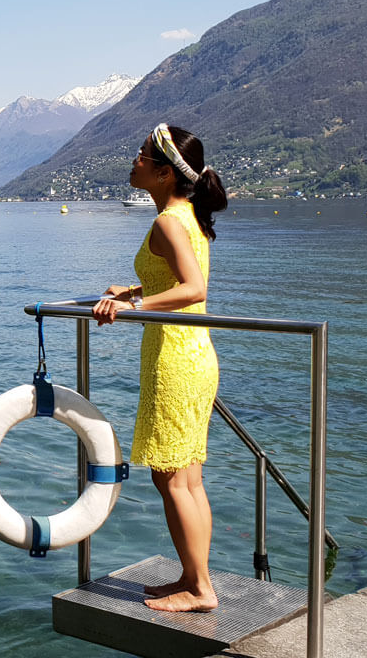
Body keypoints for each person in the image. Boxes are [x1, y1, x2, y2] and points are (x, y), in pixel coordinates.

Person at [92, 123, 228, 613]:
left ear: (165, 173)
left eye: (143, 155)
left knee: (171, 479)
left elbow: (193, 289)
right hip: (194, 353)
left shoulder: (169, 221)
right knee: (187, 479)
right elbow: (173, 274)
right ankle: (195, 579)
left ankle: (199, 589)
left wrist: (134, 306)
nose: (135, 159)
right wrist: (130, 291)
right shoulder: (186, 215)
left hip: (174, 357)